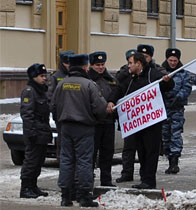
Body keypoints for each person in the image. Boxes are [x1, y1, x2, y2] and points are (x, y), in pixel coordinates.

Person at [107, 53, 174, 189]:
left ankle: (149, 180)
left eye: (131, 63)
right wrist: (111, 101)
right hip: (137, 123)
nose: (129, 66)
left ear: (139, 64)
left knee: (151, 151)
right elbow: (119, 89)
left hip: (152, 122)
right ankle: (144, 179)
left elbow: (167, 87)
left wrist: (168, 81)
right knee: (141, 151)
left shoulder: (152, 74)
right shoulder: (128, 77)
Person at [51, 54, 107, 207]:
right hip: (84, 128)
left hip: (66, 127)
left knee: (66, 160)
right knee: (84, 161)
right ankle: (84, 196)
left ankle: (65, 196)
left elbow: (53, 106)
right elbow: (100, 108)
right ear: (84, 67)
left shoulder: (62, 84)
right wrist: (96, 119)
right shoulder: (89, 85)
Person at [20, 63, 52, 198]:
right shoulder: (29, 91)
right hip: (35, 133)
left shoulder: (41, 90)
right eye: (41, 76)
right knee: (31, 161)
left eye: (45, 75)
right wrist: (31, 133)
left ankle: (33, 186)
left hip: (42, 131)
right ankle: (26, 188)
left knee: (39, 161)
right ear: (34, 77)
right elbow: (27, 115)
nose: (44, 78)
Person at [88, 51, 118, 187]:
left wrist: (112, 101)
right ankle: (89, 180)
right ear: (91, 65)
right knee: (91, 154)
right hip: (94, 122)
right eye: (97, 65)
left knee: (107, 153)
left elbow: (117, 92)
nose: (100, 67)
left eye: (102, 64)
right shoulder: (88, 79)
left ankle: (106, 180)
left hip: (108, 122)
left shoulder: (110, 78)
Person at [161, 48, 192, 174]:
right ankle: (168, 158)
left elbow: (187, 87)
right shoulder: (161, 71)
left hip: (177, 108)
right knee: (165, 135)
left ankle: (174, 162)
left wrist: (179, 96)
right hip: (163, 108)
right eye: (170, 60)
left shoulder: (183, 73)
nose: (173, 63)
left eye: (175, 60)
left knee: (175, 134)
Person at [115, 49, 139, 183]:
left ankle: (143, 173)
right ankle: (127, 172)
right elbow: (118, 89)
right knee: (128, 147)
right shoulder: (123, 74)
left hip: (141, 116)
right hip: (128, 118)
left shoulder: (145, 73)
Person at [47, 50, 74, 161]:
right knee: (63, 141)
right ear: (62, 63)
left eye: (70, 62)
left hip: (75, 115)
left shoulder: (76, 75)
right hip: (62, 116)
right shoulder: (56, 77)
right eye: (66, 63)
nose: (69, 65)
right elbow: (50, 98)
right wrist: (56, 114)